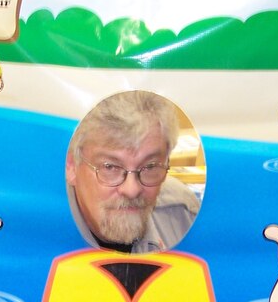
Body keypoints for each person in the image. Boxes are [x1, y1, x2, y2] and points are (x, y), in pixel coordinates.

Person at [66, 90, 199, 253]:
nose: (132, 190)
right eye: (110, 167)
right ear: (72, 166)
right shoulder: (36, 232)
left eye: (150, 166)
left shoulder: (184, 216)